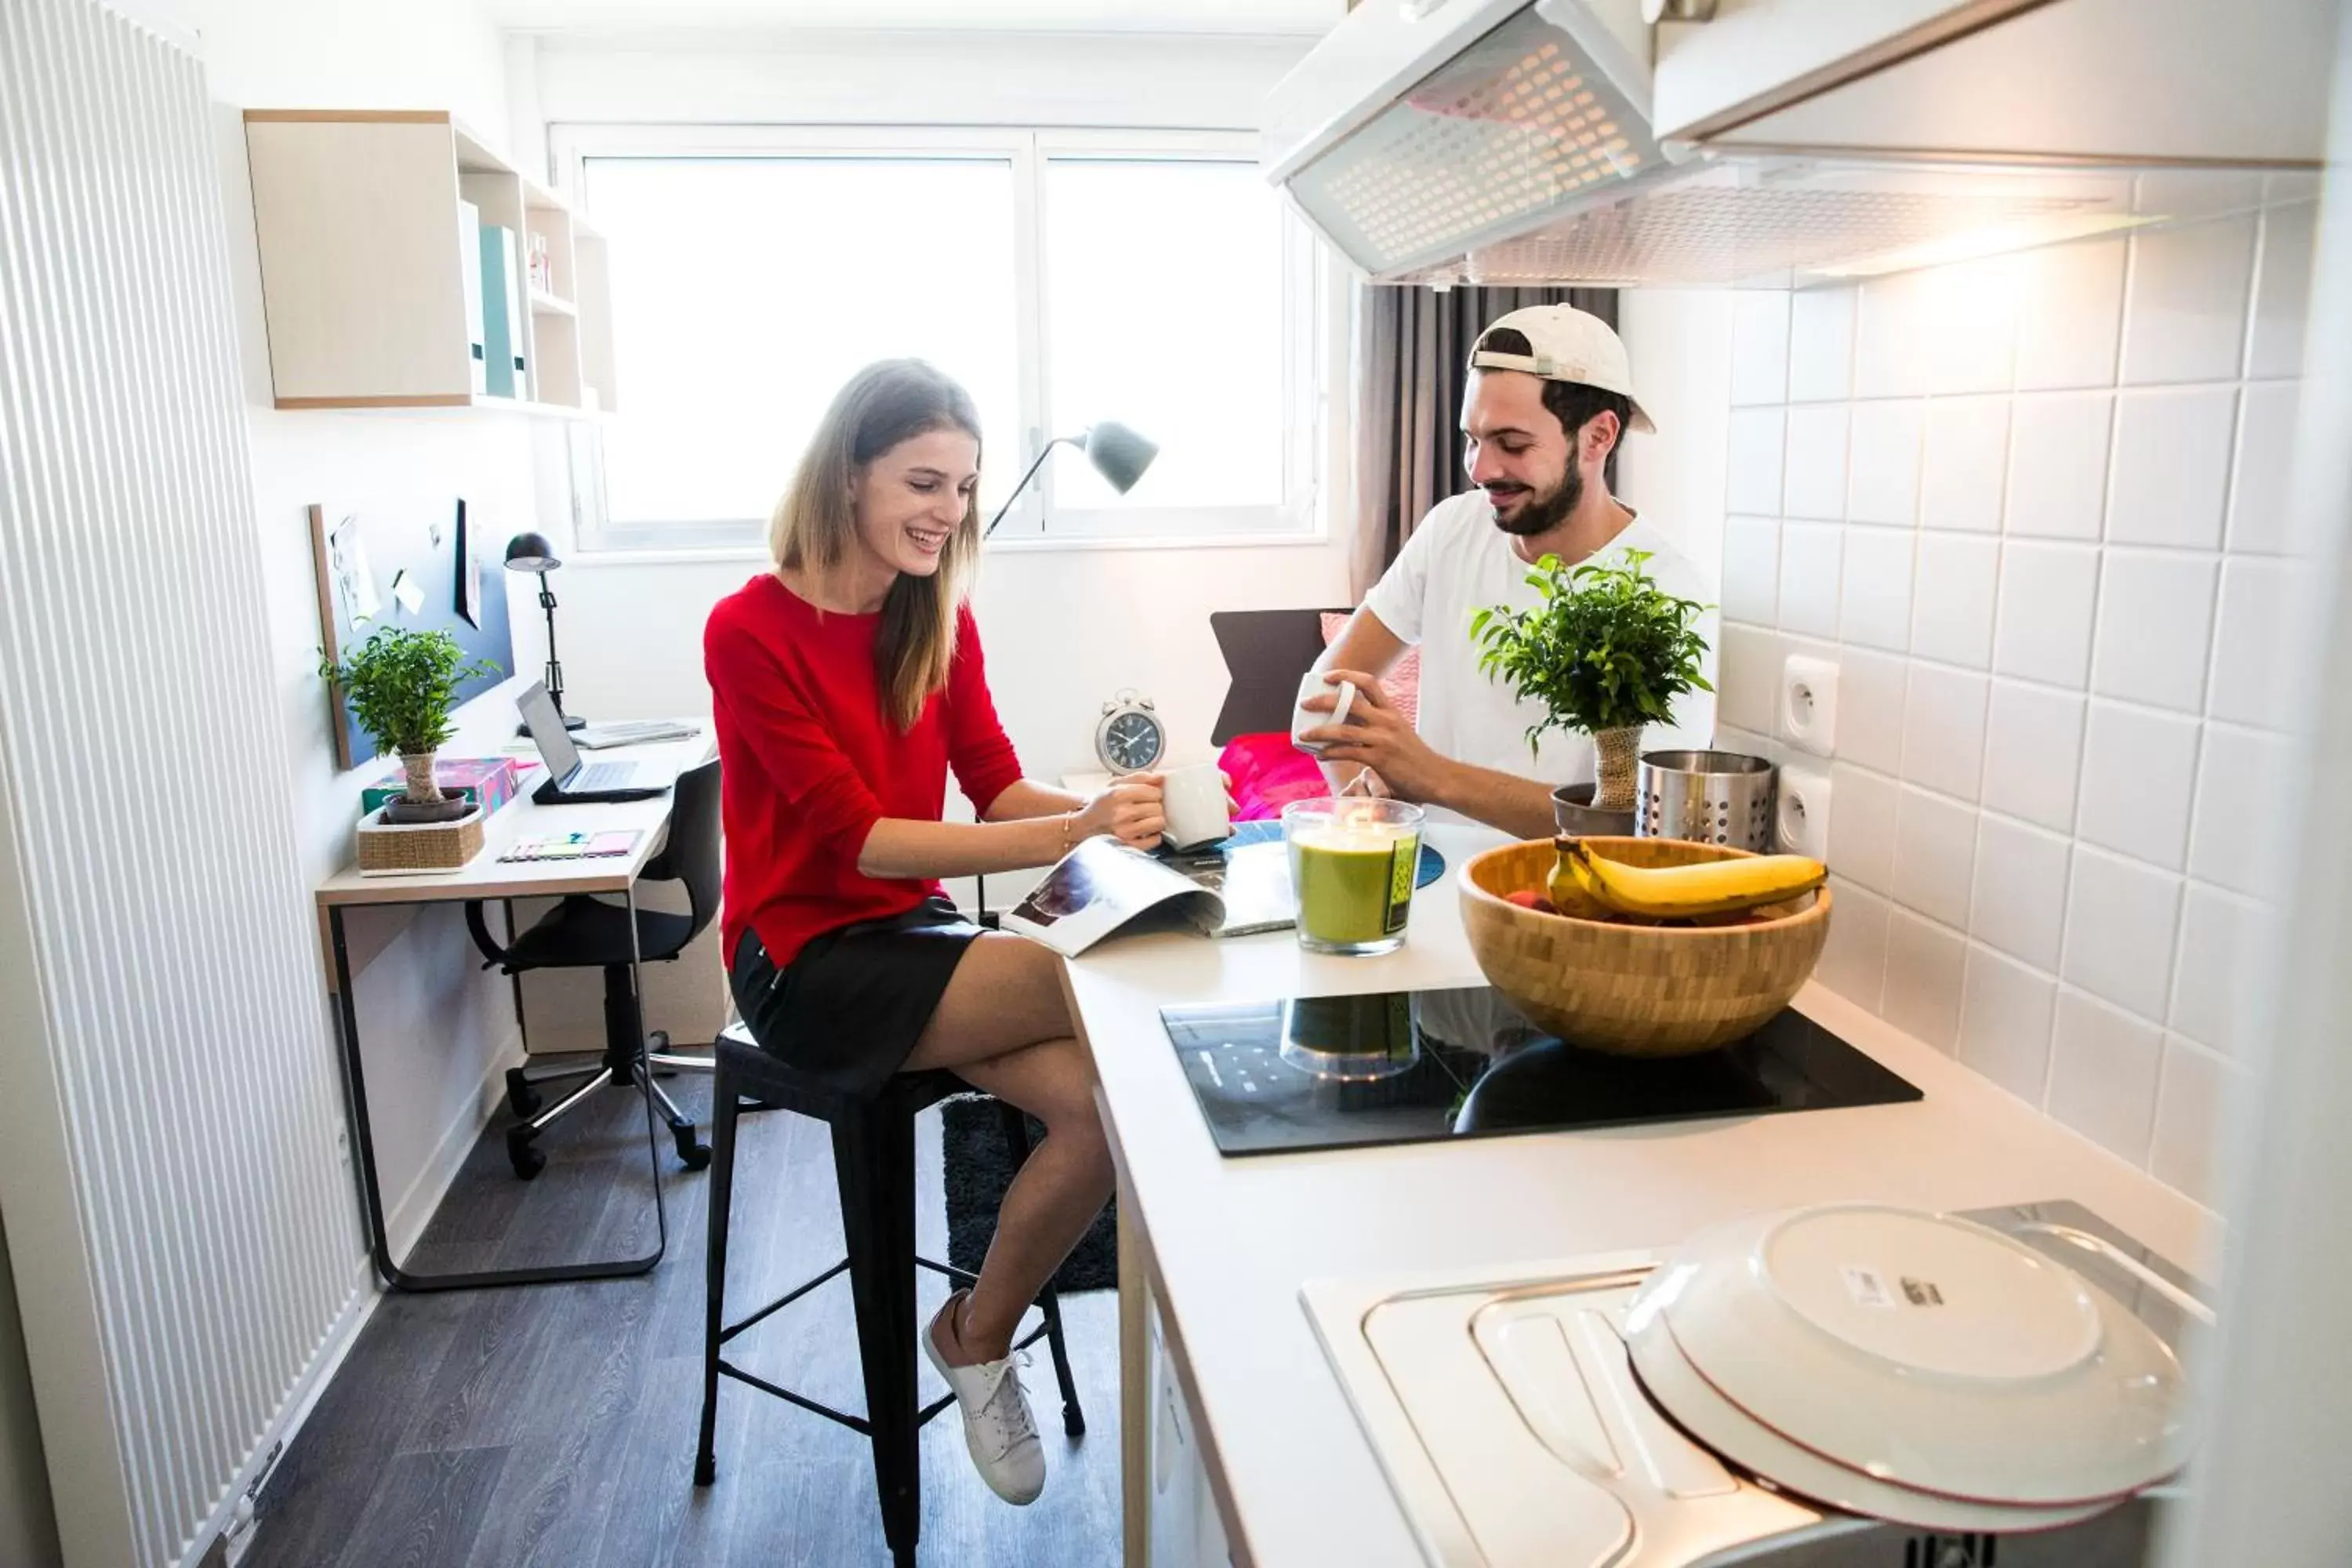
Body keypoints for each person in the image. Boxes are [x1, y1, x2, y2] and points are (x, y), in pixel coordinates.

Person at [704, 359, 1165, 1507]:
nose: (948, 513)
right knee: (1114, 981)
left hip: (910, 937)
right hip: (803, 961)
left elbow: (996, 786)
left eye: (962, 488)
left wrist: (1097, 826)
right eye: (924, 481)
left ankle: (973, 1335)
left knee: (1096, 1113)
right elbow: (859, 839)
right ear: (847, 475)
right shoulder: (749, 630)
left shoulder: (935, 618)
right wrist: (1077, 836)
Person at [1302, 304, 1706, 839]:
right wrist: (1368, 811)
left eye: (1512, 445)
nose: (1480, 468)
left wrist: (1432, 777)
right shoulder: (1452, 528)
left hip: (1562, 898)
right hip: (1429, 876)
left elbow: (1642, 826)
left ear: (1598, 437)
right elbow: (1324, 696)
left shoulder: (1667, 591)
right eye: (1474, 439)